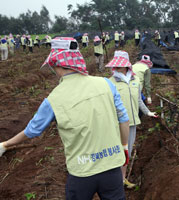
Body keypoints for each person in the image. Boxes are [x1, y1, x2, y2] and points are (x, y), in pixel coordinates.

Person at [0, 37, 130, 200]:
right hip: (112, 167)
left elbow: (32, 131)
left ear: (56, 64)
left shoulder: (53, 99)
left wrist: (6, 144)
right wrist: (124, 146)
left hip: (82, 172)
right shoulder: (106, 84)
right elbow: (124, 120)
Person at [106, 50, 157, 189]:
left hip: (132, 123)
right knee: (116, 152)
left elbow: (139, 100)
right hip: (117, 124)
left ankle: (122, 179)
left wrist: (148, 113)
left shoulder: (135, 81)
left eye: (120, 65)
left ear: (127, 66)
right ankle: (112, 181)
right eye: (116, 65)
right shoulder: (109, 83)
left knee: (126, 151)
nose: (117, 68)